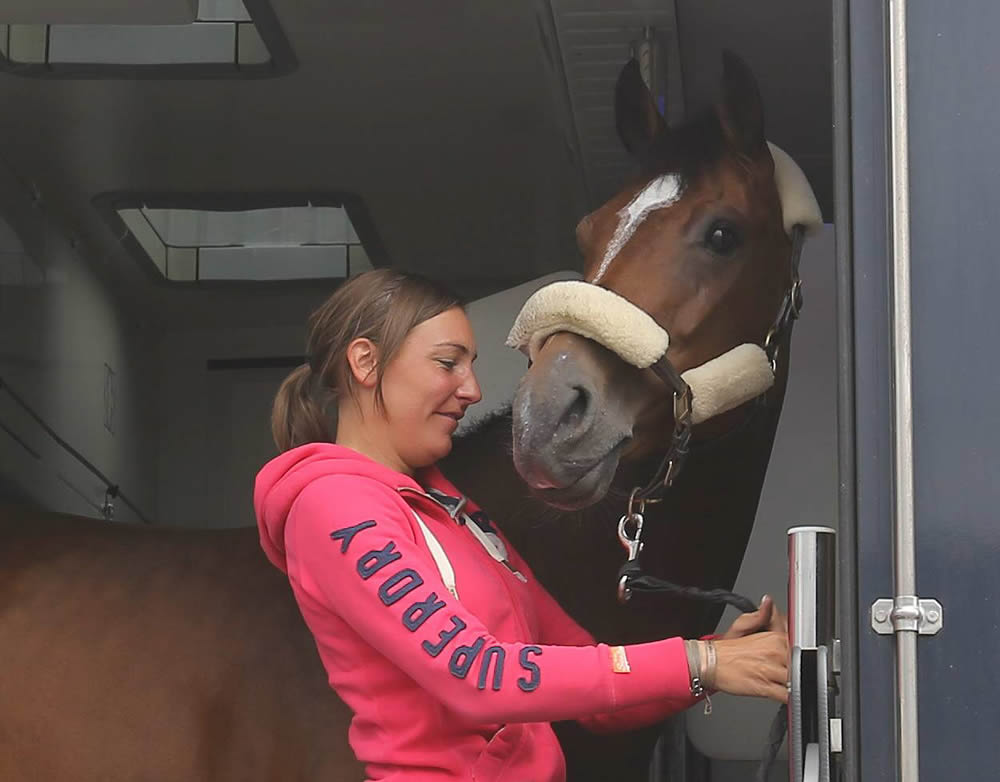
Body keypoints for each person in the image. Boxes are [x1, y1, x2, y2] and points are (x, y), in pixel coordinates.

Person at [254, 268, 788, 782]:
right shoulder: (335, 505)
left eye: (472, 365)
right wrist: (702, 661)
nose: (473, 390)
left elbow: (583, 669)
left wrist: (718, 659)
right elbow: (479, 674)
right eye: (448, 363)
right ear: (366, 363)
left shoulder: (451, 506)